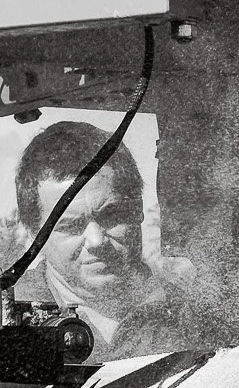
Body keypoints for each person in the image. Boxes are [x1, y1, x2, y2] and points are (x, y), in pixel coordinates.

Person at [13, 121, 157, 352]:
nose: (97, 241)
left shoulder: (196, 312)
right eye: (70, 226)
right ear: (34, 234)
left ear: (138, 209)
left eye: (111, 216)